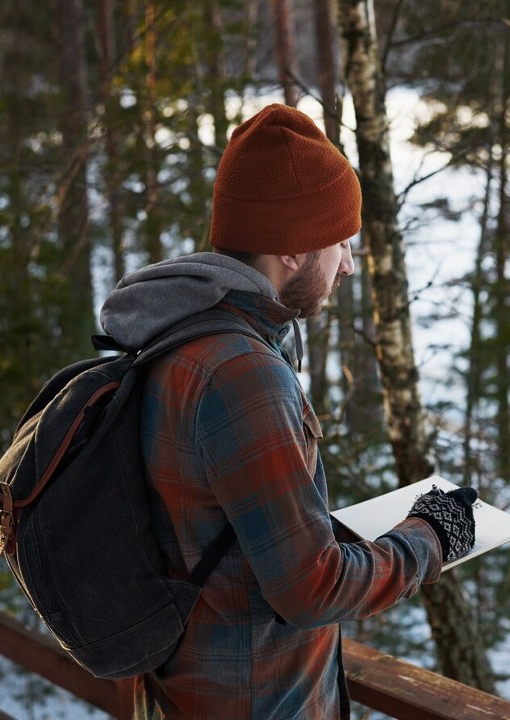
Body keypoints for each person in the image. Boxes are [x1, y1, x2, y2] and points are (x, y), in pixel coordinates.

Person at [99, 103, 477, 720]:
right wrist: (432, 536)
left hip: (189, 687)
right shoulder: (240, 374)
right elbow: (313, 590)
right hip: (255, 703)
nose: (348, 264)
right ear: (296, 251)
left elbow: (222, 527)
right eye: (340, 243)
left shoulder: (181, 337)